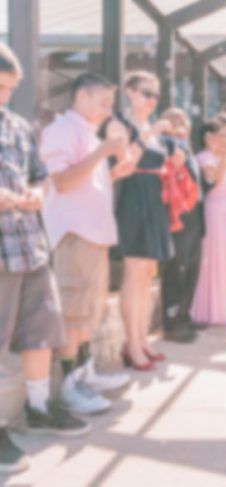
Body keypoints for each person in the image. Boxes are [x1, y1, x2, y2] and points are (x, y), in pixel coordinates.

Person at [0, 43, 89, 475]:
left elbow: (39, 176)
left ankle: (37, 406)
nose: (5, 95)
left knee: (39, 330)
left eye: (10, 88)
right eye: (0, 87)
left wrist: (35, 194)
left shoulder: (17, 126)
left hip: (30, 243)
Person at [40, 73, 135, 416]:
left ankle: (83, 375)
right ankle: (69, 385)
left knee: (87, 311)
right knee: (74, 311)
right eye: (104, 102)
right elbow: (62, 181)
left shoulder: (86, 133)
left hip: (91, 234)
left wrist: (113, 171)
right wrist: (105, 152)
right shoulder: (63, 130)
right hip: (75, 234)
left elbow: (83, 183)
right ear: (81, 96)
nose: (109, 111)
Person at [115, 71, 180, 369]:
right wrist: (151, 134)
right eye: (146, 93)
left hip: (153, 202)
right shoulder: (121, 123)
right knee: (134, 273)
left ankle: (140, 340)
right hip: (132, 201)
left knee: (144, 276)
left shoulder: (147, 128)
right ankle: (131, 344)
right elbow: (123, 164)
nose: (152, 100)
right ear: (130, 92)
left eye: (155, 95)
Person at [158, 107, 209, 340]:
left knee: (190, 268)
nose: (180, 122)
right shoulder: (165, 144)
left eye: (183, 118)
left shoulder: (187, 147)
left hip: (195, 215)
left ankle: (184, 315)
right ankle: (172, 323)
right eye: (173, 118)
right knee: (175, 270)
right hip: (177, 217)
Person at [190, 125, 226, 325]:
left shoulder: (225, 160)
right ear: (207, 137)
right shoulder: (203, 159)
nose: (223, 140)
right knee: (215, 255)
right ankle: (210, 310)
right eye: (219, 136)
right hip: (215, 210)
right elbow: (214, 182)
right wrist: (223, 156)